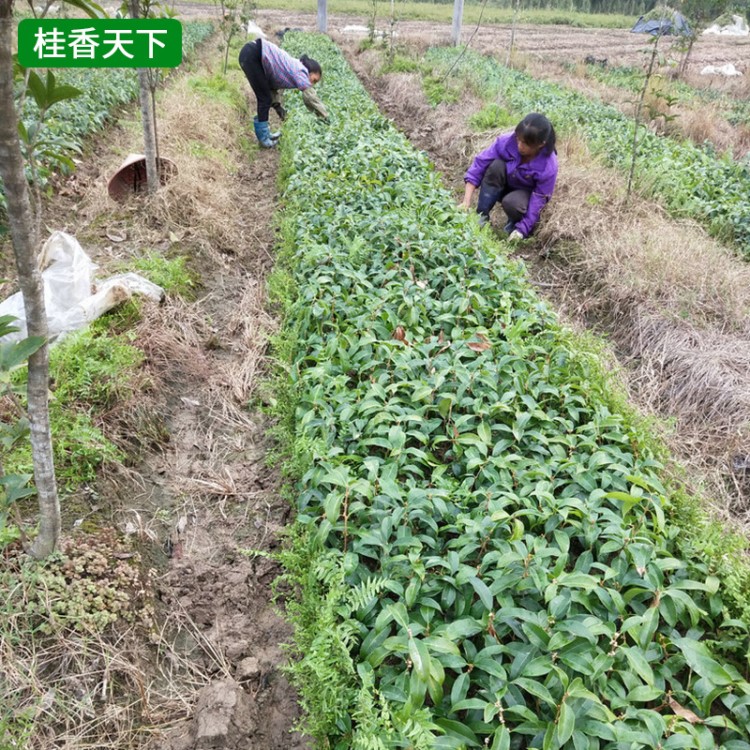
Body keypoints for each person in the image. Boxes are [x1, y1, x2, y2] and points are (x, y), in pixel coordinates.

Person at [461, 113, 558, 241]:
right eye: (518, 139)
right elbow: (480, 164)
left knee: (513, 202)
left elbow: (539, 198)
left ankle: (513, 225)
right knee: (495, 166)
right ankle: (481, 215)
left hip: (521, 198)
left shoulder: (547, 165)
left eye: (526, 144)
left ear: (540, 144)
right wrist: (466, 201)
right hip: (501, 184)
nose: (520, 146)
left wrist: (522, 229)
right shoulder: (506, 142)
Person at [238, 38, 328, 148]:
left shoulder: (293, 67)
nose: (312, 84)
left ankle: (266, 134)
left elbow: (271, 87)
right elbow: (310, 97)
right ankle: (263, 138)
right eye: (314, 80)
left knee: (265, 96)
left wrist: (278, 108)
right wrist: (324, 116)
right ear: (310, 71)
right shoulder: (301, 71)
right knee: (264, 98)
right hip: (253, 55)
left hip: (252, 53)